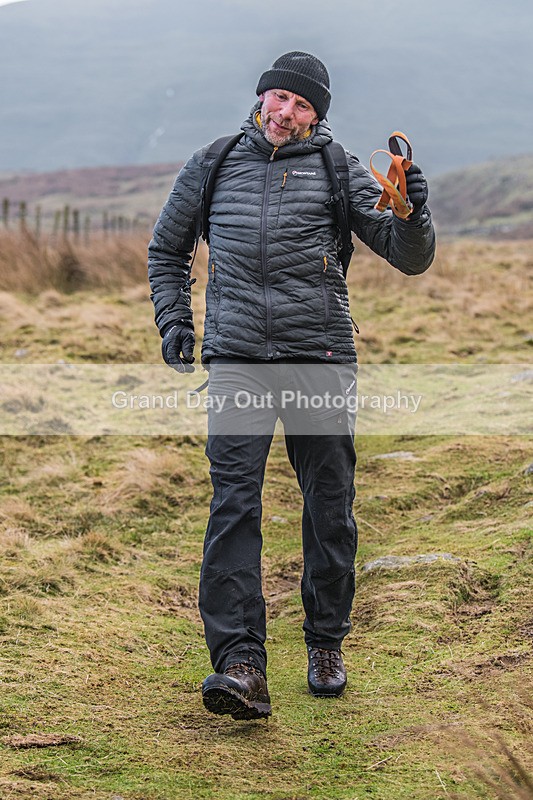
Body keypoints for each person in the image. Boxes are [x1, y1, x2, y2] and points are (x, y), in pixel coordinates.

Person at [148, 51, 435, 720]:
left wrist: (412, 215)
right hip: (237, 359)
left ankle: (325, 642)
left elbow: (408, 259)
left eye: (301, 104)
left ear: (315, 115)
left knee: (329, 505)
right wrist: (175, 320)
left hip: (319, 356)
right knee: (233, 506)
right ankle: (240, 663)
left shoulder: (337, 168)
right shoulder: (214, 162)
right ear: (261, 97)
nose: (286, 111)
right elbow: (167, 250)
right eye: (278, 97)